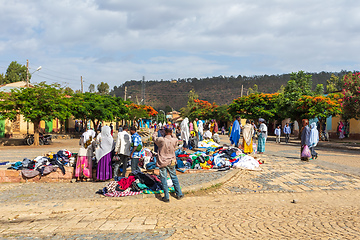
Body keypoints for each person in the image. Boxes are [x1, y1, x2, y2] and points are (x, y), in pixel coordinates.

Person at [152, 128, 183, 202]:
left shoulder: (161, 140)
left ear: (165, 132)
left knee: (163, 178)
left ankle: (166, 196)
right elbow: (175, 138)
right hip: (171, 160)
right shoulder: (174, 140)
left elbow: (154, 138)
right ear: (171, 132)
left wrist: (155, 132)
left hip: (162, 161)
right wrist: (171, 133)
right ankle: (179, 193)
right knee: (174, 177)